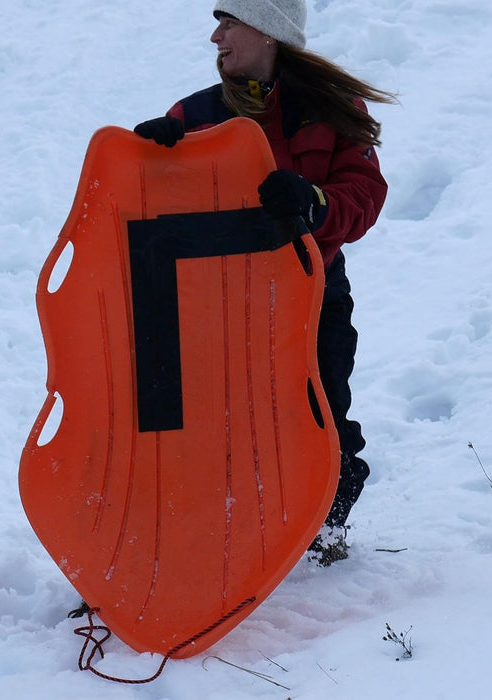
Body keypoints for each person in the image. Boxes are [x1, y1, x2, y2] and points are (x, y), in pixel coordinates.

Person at [134, 0, 394, 565]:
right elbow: (147, 211)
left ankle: (322, 538)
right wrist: (149, 161)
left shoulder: (331, 111)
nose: (215, 37)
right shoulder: (195, 113)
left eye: (228, 21)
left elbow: (365, 196)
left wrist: (314, 202)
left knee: (320, 425)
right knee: (208, 432)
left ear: (269, 30)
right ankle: (210, 544)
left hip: (311, 298)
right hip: (217, 308)